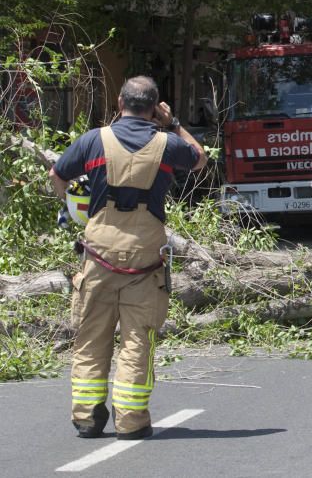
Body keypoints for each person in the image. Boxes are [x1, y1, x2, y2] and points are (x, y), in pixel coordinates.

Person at [48, 76, 206, 439]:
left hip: (98, 255)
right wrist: (175, 123)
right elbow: (199, 159)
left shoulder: (93, 140)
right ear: (154, 107)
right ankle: (131, 421)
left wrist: (75, 210)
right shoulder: (167, 144)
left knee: (90, 336)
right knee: (138, 340)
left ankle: (87, 417)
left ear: (120, 102)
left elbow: (57, 177)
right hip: (144, 260)